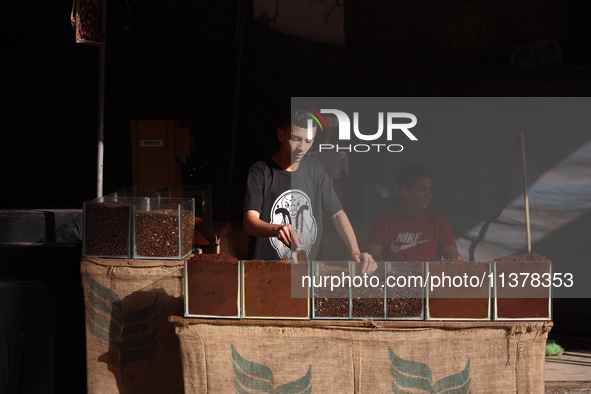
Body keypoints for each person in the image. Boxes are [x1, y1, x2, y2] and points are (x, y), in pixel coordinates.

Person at [243, 108, 377, 274]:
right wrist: (276, 229)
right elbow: (249, 222)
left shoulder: (315, 169)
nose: (301, 147)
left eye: (308, 140)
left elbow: (337, 214)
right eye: (295, 139)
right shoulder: (261, 171)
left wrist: (355, 251)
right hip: (265, 272)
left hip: (306, 273)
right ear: (280, 135)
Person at [367, 165, 460, 261]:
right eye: (422, 189)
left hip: (430, 275)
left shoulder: (438, 220)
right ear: (405, 192)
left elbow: (452, 257)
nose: (429, 195)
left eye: (429, 189)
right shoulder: (384, 220)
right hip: (394, 275)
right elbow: (373, 258)